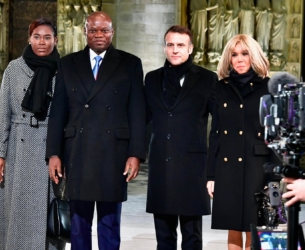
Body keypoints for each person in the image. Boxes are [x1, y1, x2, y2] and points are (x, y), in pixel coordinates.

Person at [45, 11, 146, 250]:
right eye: (94, 30)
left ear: (112, 32)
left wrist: (136, 154)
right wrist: (54, 154)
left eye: (104, 30)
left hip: (115, 153)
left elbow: (138, 113)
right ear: (85, 32)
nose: (99, 35)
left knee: (109, 223)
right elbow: (58, 112)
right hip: (77, 151)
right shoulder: (68, 63)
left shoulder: (130, 63)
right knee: (78, 224)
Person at [0, 17, 65, 250]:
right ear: (29, 39)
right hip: (18, 151)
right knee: (16, 211)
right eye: (37, 37)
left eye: (47, 37)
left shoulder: (64, 70)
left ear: (56, 40)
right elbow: (3, 112)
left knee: (49, 214)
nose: (42, 42)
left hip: (50, 150)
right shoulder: (14, 68)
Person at [145, 25, 217, 250]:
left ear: (190, 48)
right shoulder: (152, 78)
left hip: (193, 168)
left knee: (192, 237)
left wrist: (215, 171)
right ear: (165, 48)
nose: (175, 50)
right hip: (161, 165)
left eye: (180, 45)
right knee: (164, 238)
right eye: (170, 45)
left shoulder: (207, 78)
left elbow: (220, 124)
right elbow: (142, 119)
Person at [206, 34, 276, 250]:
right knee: (232, 226)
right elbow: (215, 133)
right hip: (228, 168)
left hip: (258, 168)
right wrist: (211, 175)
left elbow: (275, 136)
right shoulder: (220, 88)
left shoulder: (269, 88)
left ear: (254, 56)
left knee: (256, 230)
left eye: (245, 53)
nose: (239, 59)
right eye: (234, 54)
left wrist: (274, 177)